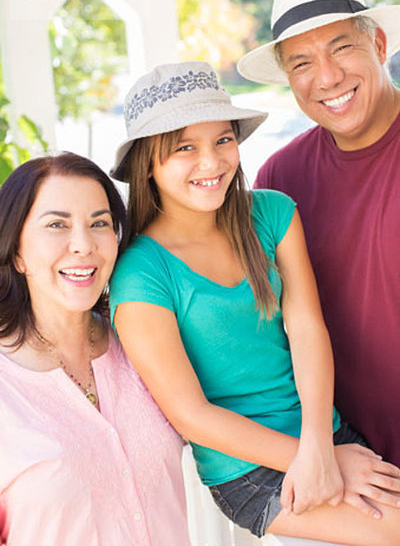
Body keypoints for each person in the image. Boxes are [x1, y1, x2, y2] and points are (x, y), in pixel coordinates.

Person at [108, 61, 400, 544]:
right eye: (185, 148)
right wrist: (312, 458)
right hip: (248, 470)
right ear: (148, 165)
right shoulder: (141, 274)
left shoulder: (271, 213)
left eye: (223, 140)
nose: (212, 161)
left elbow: (307, 330)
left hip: (325, 434)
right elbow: (192, 415)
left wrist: (321, 447)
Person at [237, 0, 400, 470]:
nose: (327, 78)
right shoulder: (279, 180)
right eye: (302, 63)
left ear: (378, 46)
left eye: (342, 47)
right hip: (354, 467)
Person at [0, 152, 190, 546]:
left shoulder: (145, 344)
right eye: (57, 224)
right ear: (16, 251)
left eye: (99, 223)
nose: (83, 245)